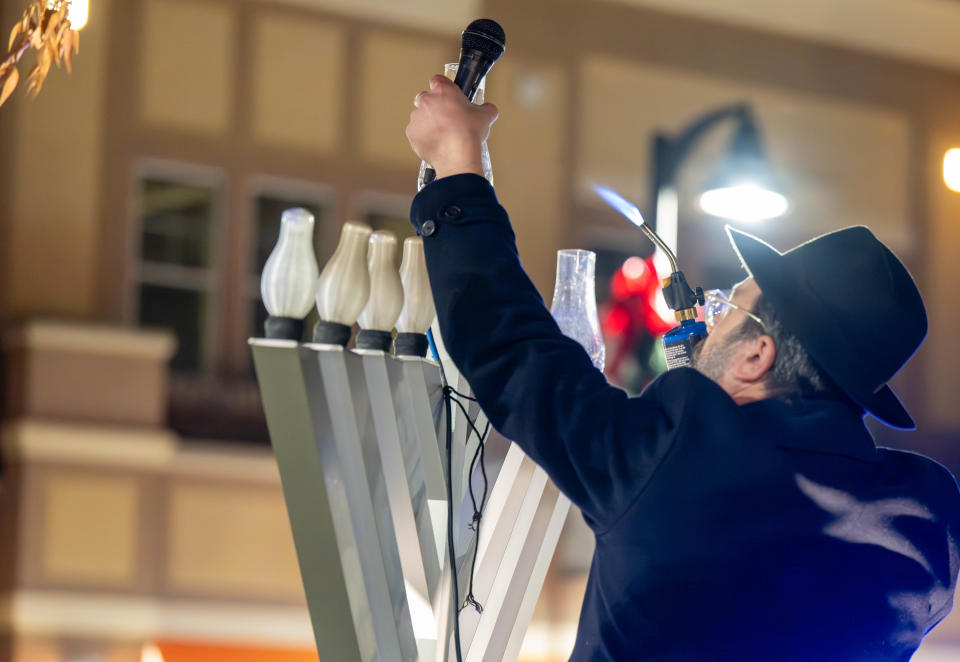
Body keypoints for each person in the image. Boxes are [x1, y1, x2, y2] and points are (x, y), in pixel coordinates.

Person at [406, 74, 960, 661]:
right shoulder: (925, 514)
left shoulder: (682, 448)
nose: (711, 317)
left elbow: (513, 348)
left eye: (730, 307)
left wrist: (456, 165)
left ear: (756, 354)